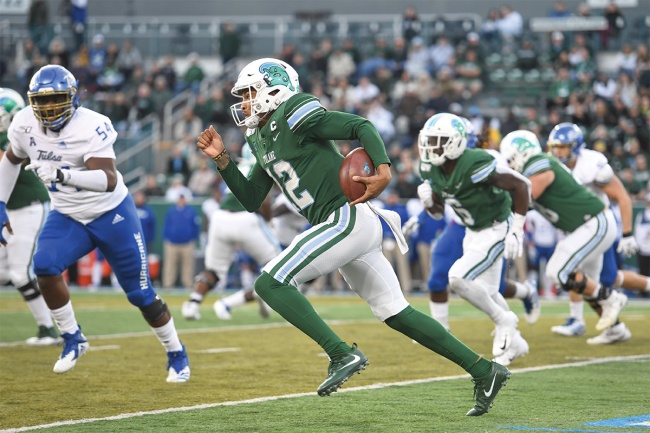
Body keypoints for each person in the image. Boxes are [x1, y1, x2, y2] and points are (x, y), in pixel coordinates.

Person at [196, 58, 510, 416]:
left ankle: (341, 353)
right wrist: (222, 159)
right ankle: (485, 371)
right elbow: (252, 199)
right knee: (397, 314)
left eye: (250, 93)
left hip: (344, 216)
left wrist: (383, 171)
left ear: (272, 88)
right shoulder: (257, 136)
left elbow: (360, 125)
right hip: (343, 224)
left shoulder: (294, 111)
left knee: (271, 282)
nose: (245, 102)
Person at [0, 65, 189, 382]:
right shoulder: (23, 124)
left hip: (111, 214)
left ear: (73, 98)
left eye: (56, 99)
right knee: (44, 266)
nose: (48, 108)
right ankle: (73, 337)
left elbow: (108, 180)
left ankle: (176, 353)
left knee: (140, 294)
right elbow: (11, 161)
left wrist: (62, 175)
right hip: (68, 214)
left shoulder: (92, 125)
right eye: (41, 101)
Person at [416, 113, 532, 367]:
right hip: (471, 230)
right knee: (489, 291)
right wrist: (428, 201)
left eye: (438, 141)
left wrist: (517, 229)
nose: (430, 147)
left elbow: (521, 186)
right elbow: (437, 212)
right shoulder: (429, 168)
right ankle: (517, 342)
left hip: (496, 226)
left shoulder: (475, 161)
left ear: (456, 143)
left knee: (457, 277)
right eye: (429, 140)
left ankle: (505, 320)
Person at [500, 130, 628, 337]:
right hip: (585, 226)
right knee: (584, 285)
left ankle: (612, 298)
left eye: (511, 158)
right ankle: (616, 330)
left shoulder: (539, 163)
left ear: (523, 153)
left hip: (593, 222)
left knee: (556, 271)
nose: (510, 164)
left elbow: (524, 197)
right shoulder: (537, 166)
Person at [546, 123, 649, 344]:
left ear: (575, 146)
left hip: (597, 227)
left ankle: (583, 321)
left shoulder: (590, 164)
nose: (558, 152)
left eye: (563, 147)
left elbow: (622, 196)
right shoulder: (553, 165)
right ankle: (610, 327)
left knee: (596, 277)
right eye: (556, 147)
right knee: (590, 279)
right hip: (576, 228)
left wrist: (628, 233)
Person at [181, 144, 281, 321]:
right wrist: (268, 221)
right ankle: (234, 302)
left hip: (220, 217)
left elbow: (220, 194)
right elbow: (264, 202)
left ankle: (192, 304)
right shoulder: (261, 166)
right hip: (245, 218)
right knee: (277, 266)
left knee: (213, 270)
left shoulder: (237, 167)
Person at [0, 87, 59, 345]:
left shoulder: (14, 136)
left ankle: (50, 329)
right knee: (9, 273)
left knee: (21, 273)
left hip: (30, 207)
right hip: (9, 210)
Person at [162, 193, 200, 289]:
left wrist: (192, 238)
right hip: (172, 243)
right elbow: (166, 225)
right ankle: (168, 285)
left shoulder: (191, 211)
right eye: (180, 199)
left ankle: (188, 285)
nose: (182, 201)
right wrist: (167, 238)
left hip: (187, 243)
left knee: (188, 266)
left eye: (183, 199)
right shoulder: (171, 211)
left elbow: (195, 226)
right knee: (170, 265)